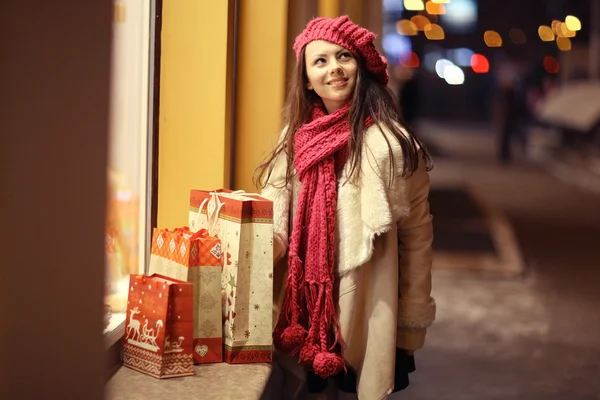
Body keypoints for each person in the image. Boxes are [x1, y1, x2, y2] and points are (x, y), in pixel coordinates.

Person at [255, 16, 435, 400]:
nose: (334, 67)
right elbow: (273, 216)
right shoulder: (294, 141)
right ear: (306, 79)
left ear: (361, 67)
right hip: (298, 306)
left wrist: (411, 319)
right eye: (320, 61)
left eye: (343, 57)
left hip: (364, 302)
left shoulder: (391, 146)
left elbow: (417, 237)